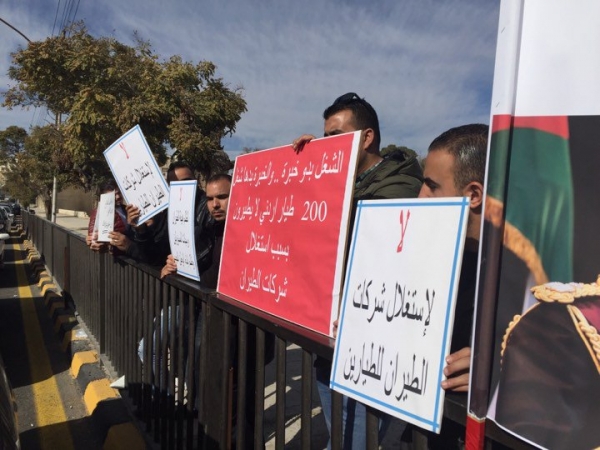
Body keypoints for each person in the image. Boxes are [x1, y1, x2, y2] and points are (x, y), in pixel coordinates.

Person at [293, 92, 423, 449]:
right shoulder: (346, 181)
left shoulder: (399, 185)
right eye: (324, 138)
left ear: (366, 138)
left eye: (335, 136)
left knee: (354, 436)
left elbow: (355, 233)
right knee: (341, 432)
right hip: (333, 331)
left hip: (371, 342)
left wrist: (320, 173)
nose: (327, 144)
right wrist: (307, 168)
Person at [403, 123, 488, 448]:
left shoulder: (523, 273)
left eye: (431, 185)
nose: (420, 196)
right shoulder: (435, 254)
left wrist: (500, 370)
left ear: (473, 195)